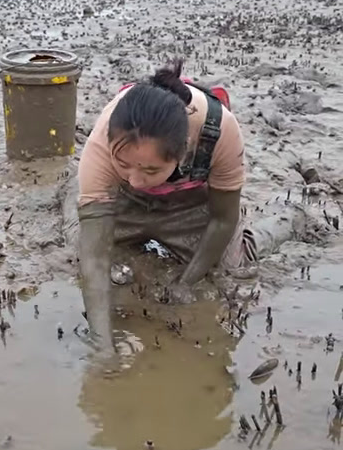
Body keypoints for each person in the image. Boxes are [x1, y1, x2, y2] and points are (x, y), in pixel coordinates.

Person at [76, 59, 256, 353]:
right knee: (82, 250)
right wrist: (102, 344)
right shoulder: (102, 141)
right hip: (125, 205)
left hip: (191, 206)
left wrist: (186, 282)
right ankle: (70, 192)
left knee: (229, 270)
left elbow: (223, 220)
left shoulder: (220, 129)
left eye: (149, 170)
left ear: (183, 150)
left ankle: (291, 219)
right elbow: (94, 260)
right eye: (123, 165)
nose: (135, 179)